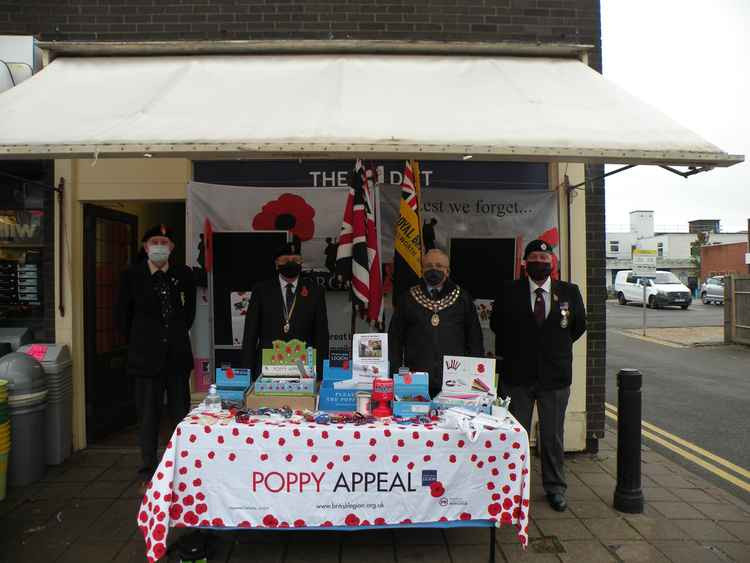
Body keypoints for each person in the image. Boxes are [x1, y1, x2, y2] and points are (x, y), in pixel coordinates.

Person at [490, 240, 586, 512]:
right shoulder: (508, 291)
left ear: (552, 262)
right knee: (514, 434)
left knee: (552, 436)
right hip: (517, 377)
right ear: (525, 262)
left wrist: (552, 348)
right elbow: (498, 325)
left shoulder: (569, 291)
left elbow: (578, 327)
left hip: (554, 378)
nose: (539, 261)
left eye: (544, 256)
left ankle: (555, 488)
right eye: (533, 256)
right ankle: (512, 487)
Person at [115, 224, 196, 487]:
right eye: (155, 241)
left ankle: (180, 464)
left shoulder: (184, 275)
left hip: (177, 358)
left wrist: (172, 338)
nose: (160, 246)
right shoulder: (131, 276)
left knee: (179, 413)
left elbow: (189, 314)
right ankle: (148, 466)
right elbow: (122, 319)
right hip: (144, 358)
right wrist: (143, 342)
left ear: (172, 247)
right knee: (148, 415)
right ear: (145, 246)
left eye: (164, 241)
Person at [388, 248, 484, 397]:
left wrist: (475, 377)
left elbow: (475, 340)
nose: (434, 269)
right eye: (429, 266)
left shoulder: (462, 298)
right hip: (415, 378)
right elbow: (395, 340)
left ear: (447, 271)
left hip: (455, 381)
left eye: (439, 266)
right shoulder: (408, 298)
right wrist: (395, 373)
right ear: (422, 269)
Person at [241, 241, 329, 378]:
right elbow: (250, 335)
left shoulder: (315, 291)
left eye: (295, 259)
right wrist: (246, 373)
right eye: (285, 260)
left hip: (303, 369)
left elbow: (321, 336)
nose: (291, 263)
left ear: (301, 263)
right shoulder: (261, 290)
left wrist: (322, 375)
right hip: (268, 368)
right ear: (277, 264)